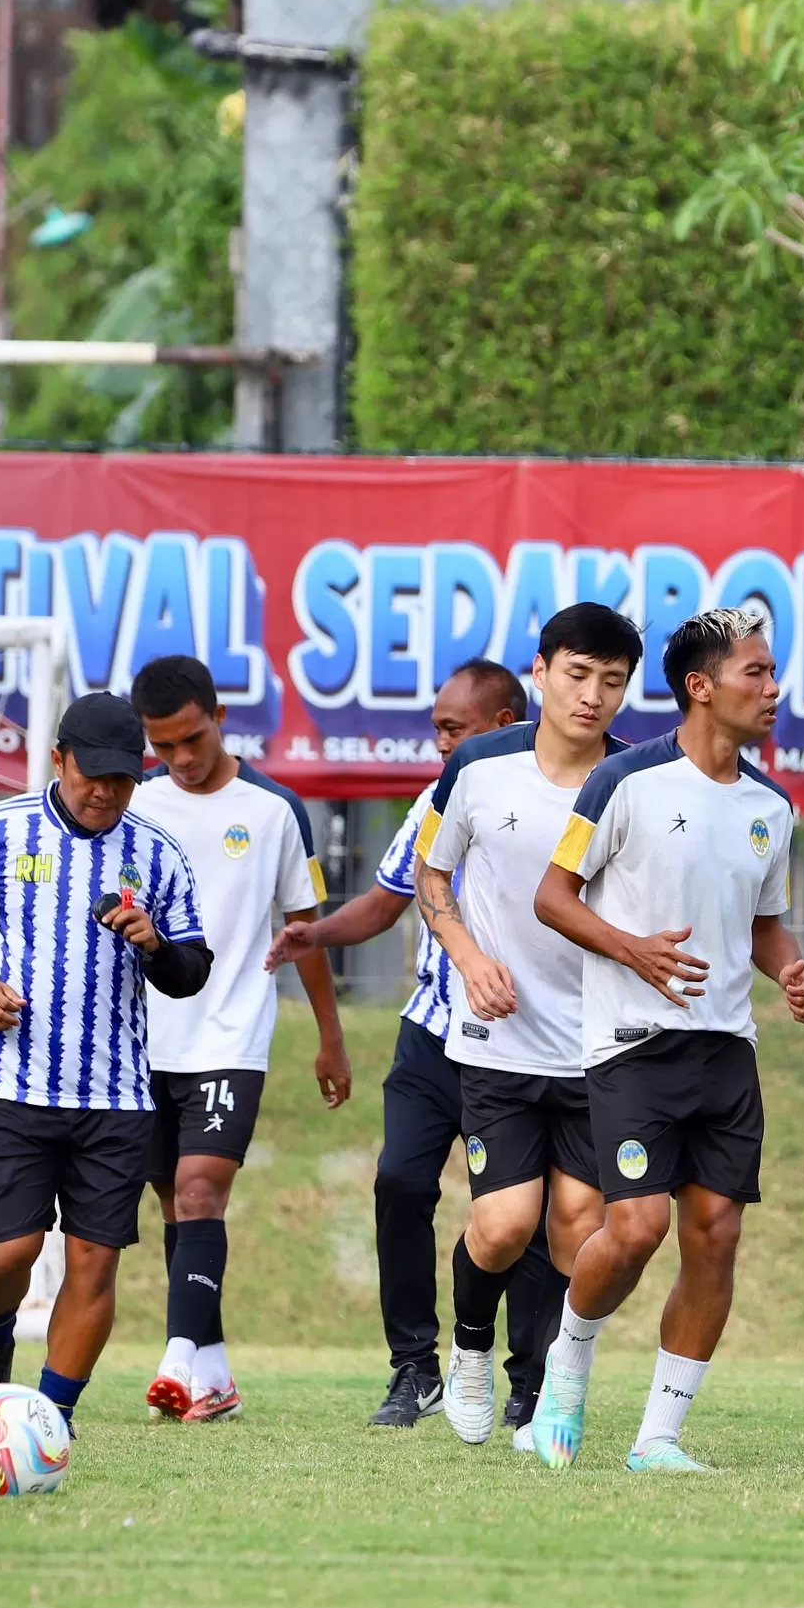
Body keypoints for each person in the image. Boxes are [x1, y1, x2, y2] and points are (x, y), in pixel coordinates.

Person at [533, 607, 804, 1472]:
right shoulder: (624, 782)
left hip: (727, 1046)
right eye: (756, 675)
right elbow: (554, 896)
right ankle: (569, 1354)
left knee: (716, 1235)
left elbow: (764, 924)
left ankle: (659, 1436)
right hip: (631, 1041)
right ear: (701, 687)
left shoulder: (774, 804)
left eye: (772, 674)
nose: (772, 690)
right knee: (635, 1228)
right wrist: (633, 951)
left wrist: (791, 968)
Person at [0, 691, 213, 1426]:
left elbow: (191, 970)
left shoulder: (156, 853)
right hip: (12, 1082)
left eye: (122, 779)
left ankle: (48, 1419)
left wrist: (154, 945)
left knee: (94, 1263)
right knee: (8, 1253)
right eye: (92, 776)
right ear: (59, 761)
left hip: (114, 1098)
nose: (105, 792)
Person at [266, 660, 537, 1428]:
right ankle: (415, 1367)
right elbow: (386, 905)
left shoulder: (566, 799)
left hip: (521, 1044)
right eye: (437, 729)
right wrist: (314, 931)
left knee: (522, 1218)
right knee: (400, 1185)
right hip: (431, 1035)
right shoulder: (433, 800)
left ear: (506, 721)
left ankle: (527, 1378)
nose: (440, 744)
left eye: (455, 729)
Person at [415, 603, 638, 1448]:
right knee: (505, 1226)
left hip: (602, 1048)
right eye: (577, 676)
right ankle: (470, 1351)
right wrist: (470, 959)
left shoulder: (639, 778)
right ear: (539, 674)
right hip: (499, 1041)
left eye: (611, 682)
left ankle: (550, 1393)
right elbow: (432, 877)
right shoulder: (475, 765)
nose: (592, 696)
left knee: (580, 1228)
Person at [129, 654, 352, 1423]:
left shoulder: (273, 810)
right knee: (177, 1206)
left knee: (199, 1191)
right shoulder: (139, 807)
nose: (182, 760)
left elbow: (303, 932)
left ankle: (174, 1359)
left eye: (192, 739)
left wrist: (330, 1037)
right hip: (142, 1041)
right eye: (165, 748)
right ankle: (214, 1376)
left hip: (230, 1036)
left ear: (220, 718)